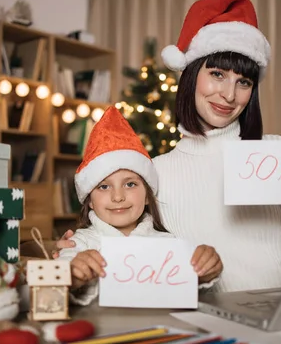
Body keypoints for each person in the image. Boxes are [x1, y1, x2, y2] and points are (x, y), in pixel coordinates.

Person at [56, 0, 281, 293]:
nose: (229, 95)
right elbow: (130, 248)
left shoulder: (277, 154)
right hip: (208, 321)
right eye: (217, 74)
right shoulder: (153, 173)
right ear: (191, 75)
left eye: (244, 82)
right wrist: (72, 257)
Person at [56, 106, 222, 305]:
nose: (118, 196)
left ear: (146, 195)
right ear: (89, 200)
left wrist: (204, 271)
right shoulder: (79, 244)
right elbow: (55, 280)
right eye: (104, 186)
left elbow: (185, 286)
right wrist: (71, 274)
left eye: (130, 184)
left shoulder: (168, 244)